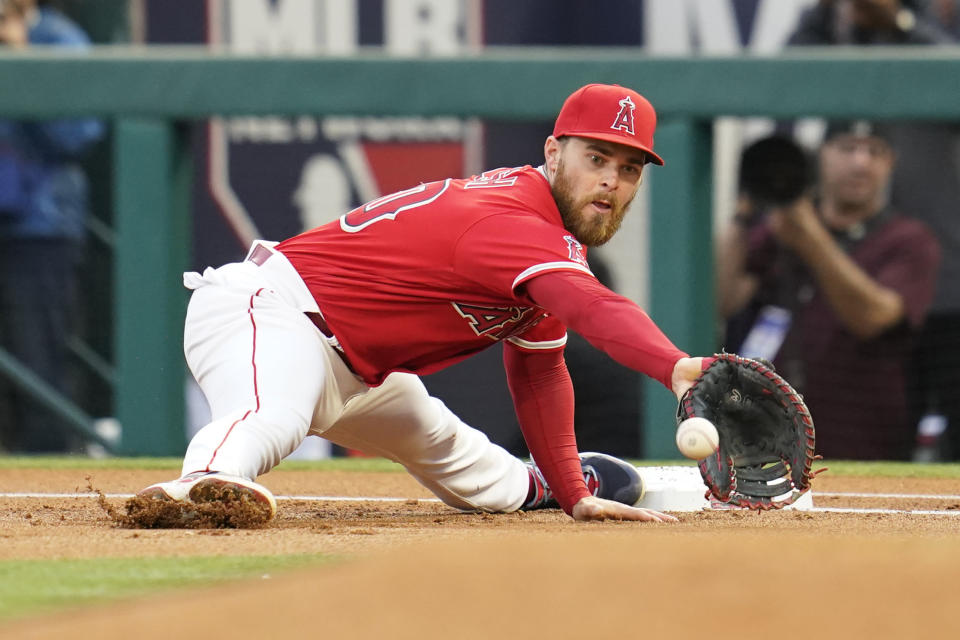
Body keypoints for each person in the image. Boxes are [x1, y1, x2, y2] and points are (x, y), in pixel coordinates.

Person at [136, 83, 712, 525]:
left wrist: (573, 494)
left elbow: (539, 372)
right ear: (554, 152)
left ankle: (539, 486)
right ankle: (207, 481)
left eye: (628, 169)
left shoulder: (548, 239)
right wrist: (674, 367)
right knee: (273, 413)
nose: (611, 181)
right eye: (597, 158)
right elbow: (594, 309)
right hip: (270, 311)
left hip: (354, 367)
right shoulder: (514, 220)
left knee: (452, 448)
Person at [786, 0, 960, 460]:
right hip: (859, 273)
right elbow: (779, 85)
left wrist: (898, 22)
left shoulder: (924, 22)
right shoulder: (826, 20)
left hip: (948, 284)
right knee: (881, 439)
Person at [716, 122, 941, 460]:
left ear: (890, 162)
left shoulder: (908, 239)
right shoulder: (780, 228)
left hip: (864, 439)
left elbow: (874, 318)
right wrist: (746, 209)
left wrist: (810, 239)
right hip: (766, 436)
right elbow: (724, 299)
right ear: (820, 156)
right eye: (848, 148)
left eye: (874, 151)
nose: (860, 162)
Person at [0, 0, 106, 452]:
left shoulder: (58, 39)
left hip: (38, 226)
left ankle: (47, 459)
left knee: (37, 355)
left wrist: (20, 56)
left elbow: (79, 133)